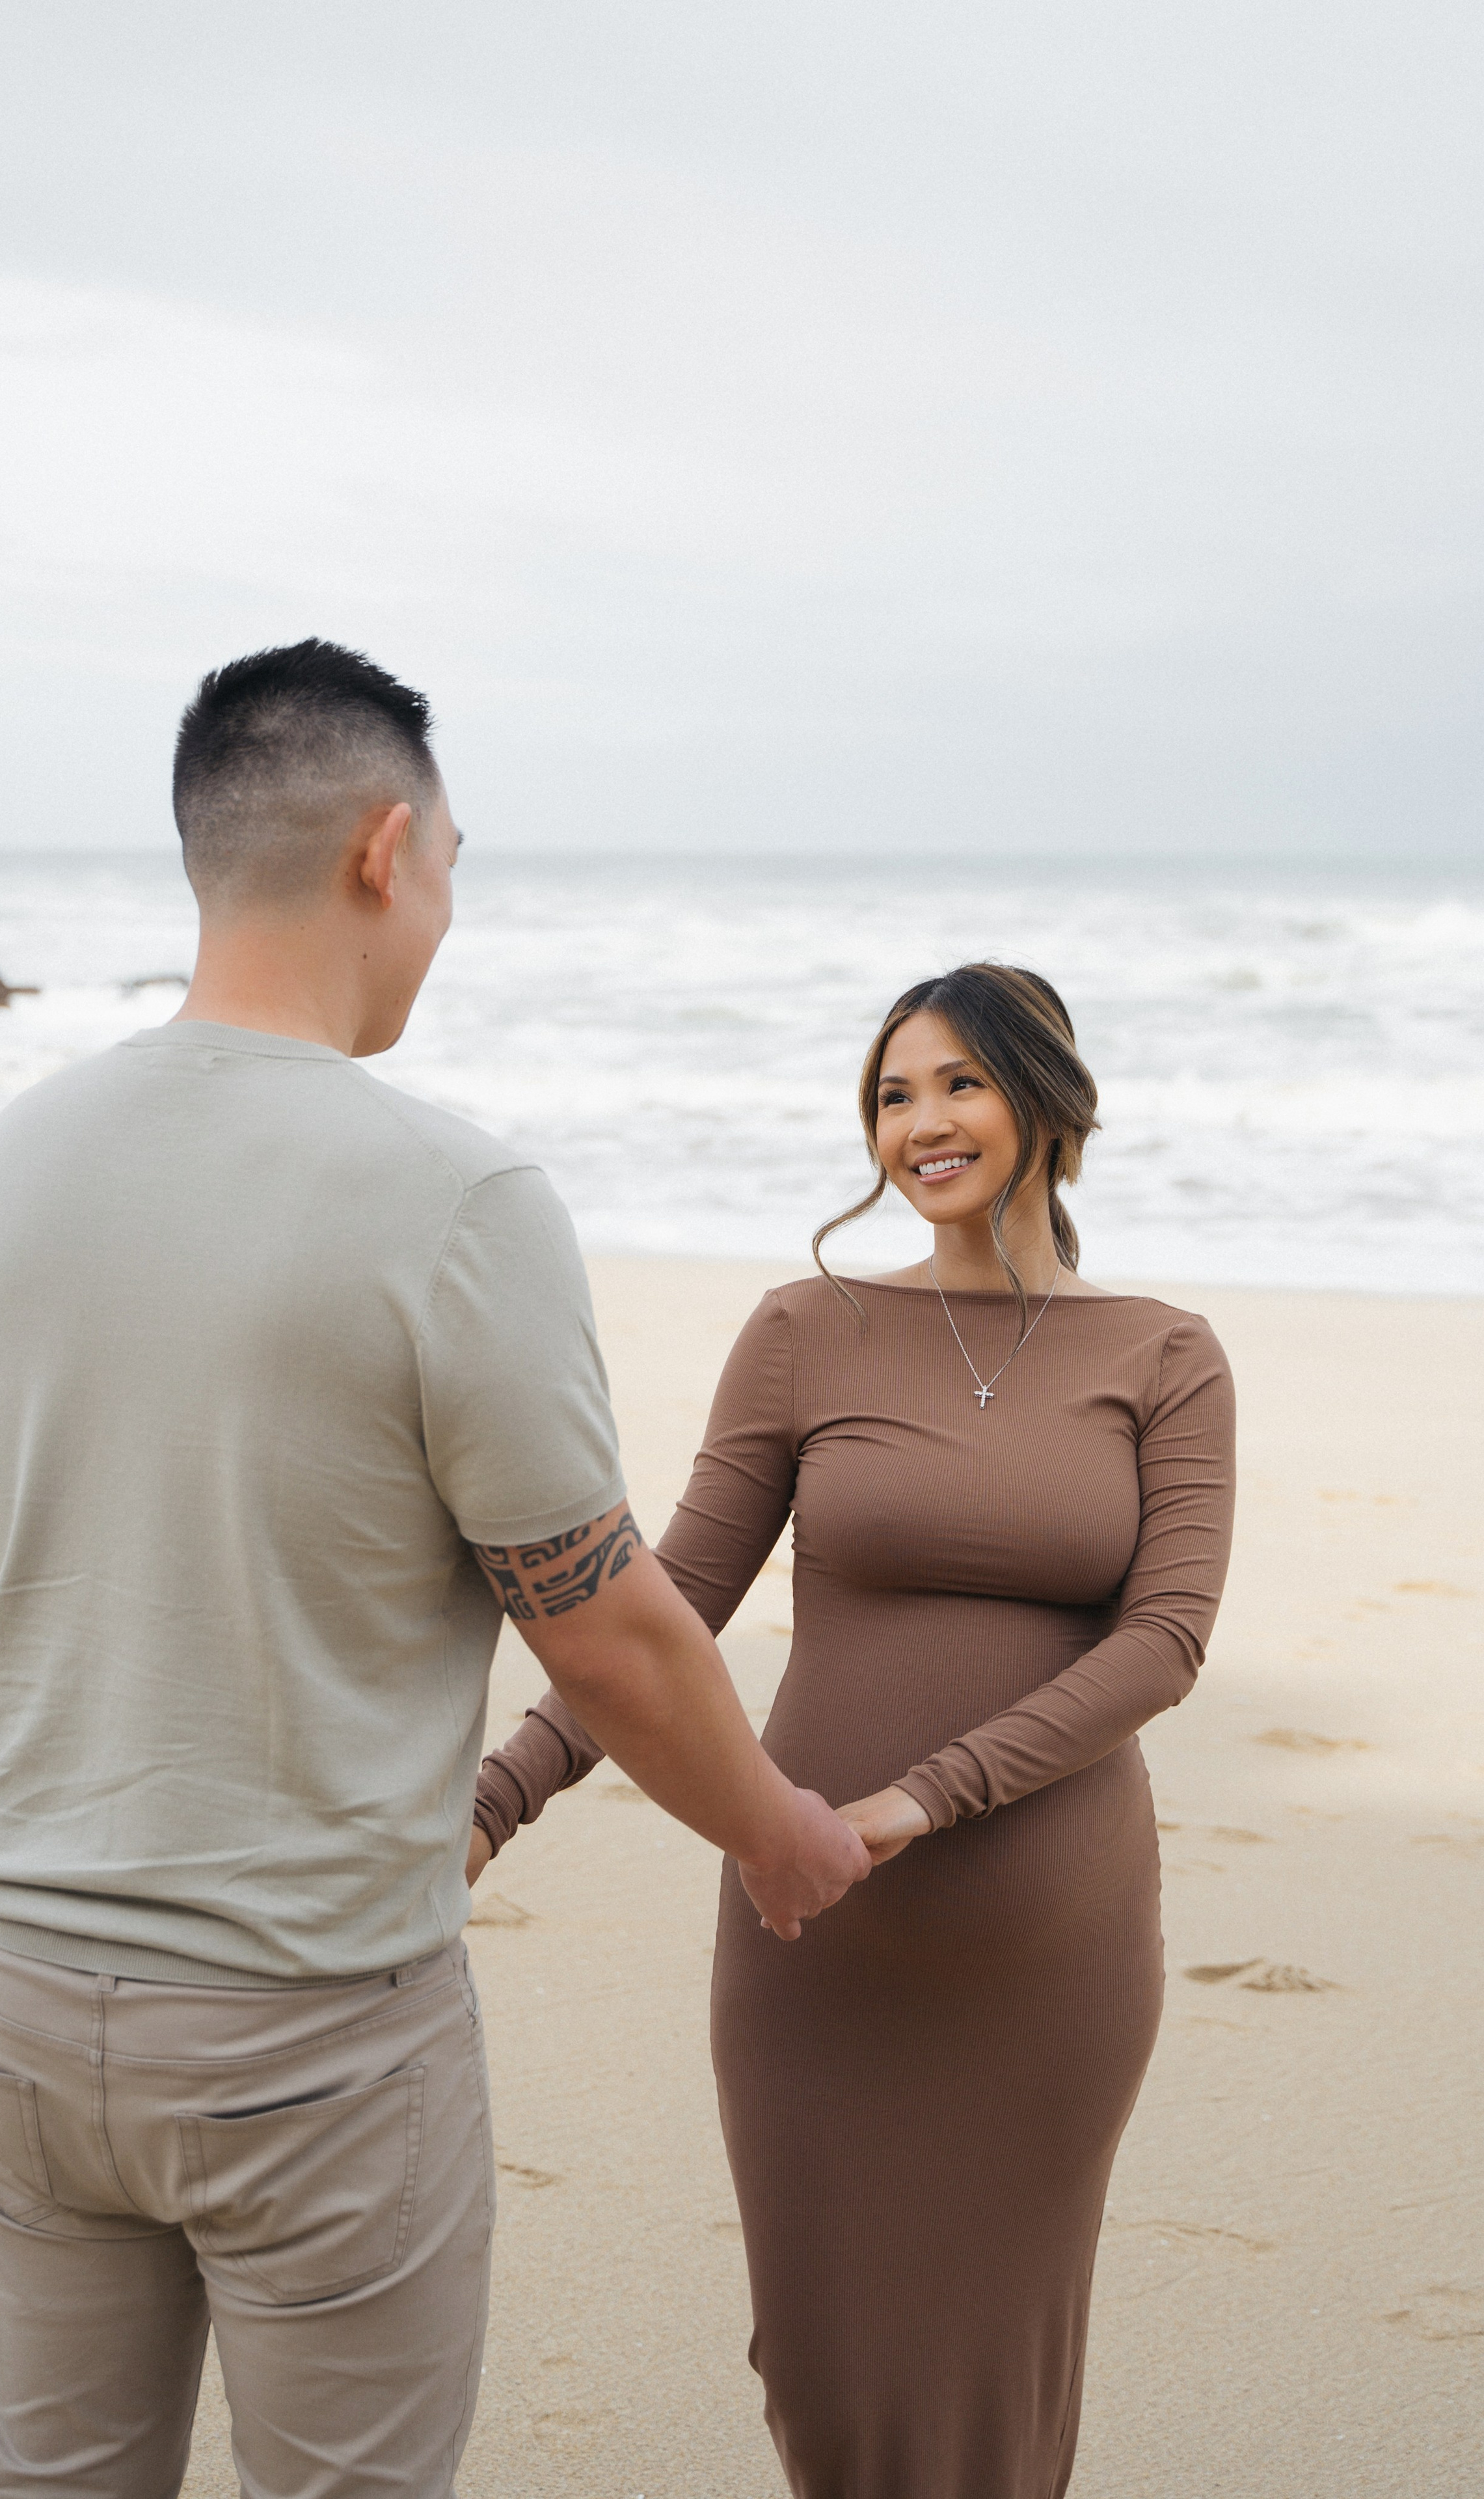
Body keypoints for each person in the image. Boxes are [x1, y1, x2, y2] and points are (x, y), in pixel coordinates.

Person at [0, 638, 867, 2499]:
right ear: (384, 851)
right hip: (305, 2020)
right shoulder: (453, 1199)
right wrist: (777, 1830)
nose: (447, 907)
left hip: (24, 1991)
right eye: (453, 861)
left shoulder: (9, 1162)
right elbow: (601, 1628)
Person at [472, 963, 1236, 2499]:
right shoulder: (804, 1328)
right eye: (892, 1094)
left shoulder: (1162, 1353)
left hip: (1047, 1946)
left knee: (993, 2371)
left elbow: (1161, 1645)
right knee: (819, 2371)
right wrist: (492, 1803)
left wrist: (912, 1803)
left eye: (957, 1083)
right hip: (815, 1934)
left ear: (1046, 1103)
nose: (921, 1122)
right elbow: (665, 1603)